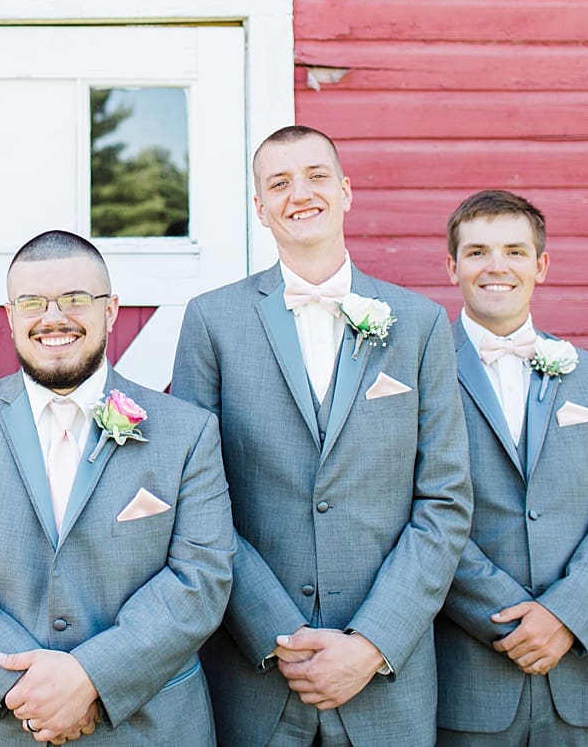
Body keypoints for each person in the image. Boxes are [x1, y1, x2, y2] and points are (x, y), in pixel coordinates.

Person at [171, 125, 473, 747]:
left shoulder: (417, 324)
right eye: (278, 183)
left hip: (386, 672)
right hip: (254, 672)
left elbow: (444, 501)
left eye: (314, 176)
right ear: (259, 207)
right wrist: (277, 635)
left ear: (345, 191)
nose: (298, 193)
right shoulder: (212, 320)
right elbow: (195, 499)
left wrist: (371, 642)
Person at [0, 230, 234, 745]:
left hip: (142, 725)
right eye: (32, 302)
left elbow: (201, 578)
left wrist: (91, 679)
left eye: (76, 298)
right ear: (10, 316)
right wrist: (33, 692)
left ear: (111, 309)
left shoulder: (188, 432)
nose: (53, 317)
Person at [436, 189, 588, 745]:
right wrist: (508, 615)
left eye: (514, 250)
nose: (497, 266)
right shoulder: (422, 370)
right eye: (478, 251)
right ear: (452, 265)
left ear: (541, 265)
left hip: (579, 657)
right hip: (465, 667)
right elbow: (415, 505)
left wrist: (564, 614)